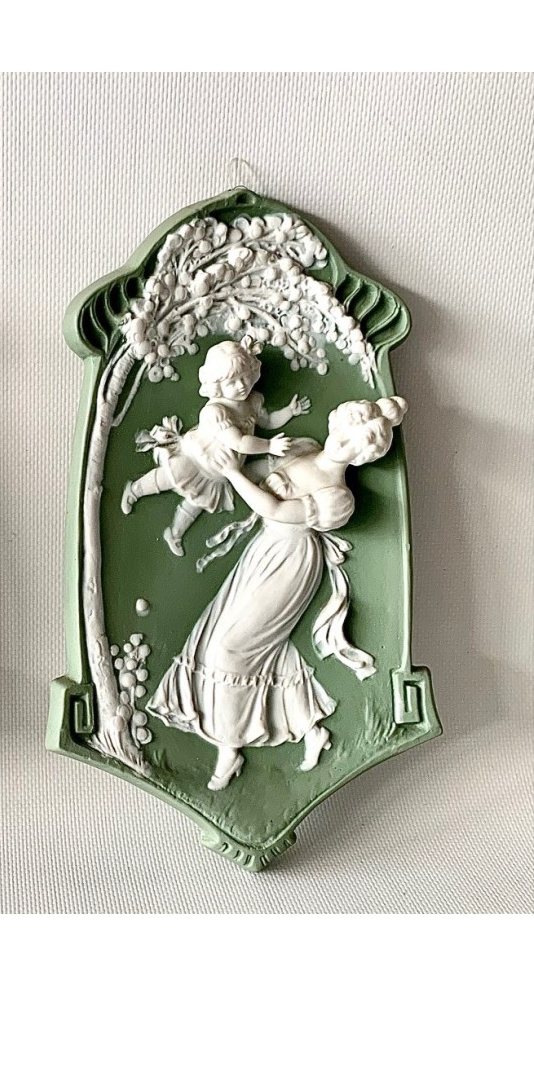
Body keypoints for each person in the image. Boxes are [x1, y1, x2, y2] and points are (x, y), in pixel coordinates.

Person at [147, 396, 407, 790]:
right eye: (344, 431)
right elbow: (250, 469)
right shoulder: (303, 449)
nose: (342, 442)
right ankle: (310, 729)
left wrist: (233, 472)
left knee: (231, 649)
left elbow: (275, 509)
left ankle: (230, 747)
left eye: (353, 444)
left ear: (362, 457)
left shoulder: (338, 498)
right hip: (263, 554)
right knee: (234, 644)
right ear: (335, 423)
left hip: (291, 563)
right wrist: (205, 458)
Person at [121, 339, 310, 555]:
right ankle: (134, 490)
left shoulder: (253, 402)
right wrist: (269, 445)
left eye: (245, 377)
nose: (242, 385)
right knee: (166, 478)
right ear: (217, 386)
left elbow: (268, 421)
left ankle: (174, 533)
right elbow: (238, 442)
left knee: (196, 504)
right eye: (232, 382)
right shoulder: (215, 411)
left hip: (217, 472)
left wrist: (289, 411)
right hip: (196, 459)